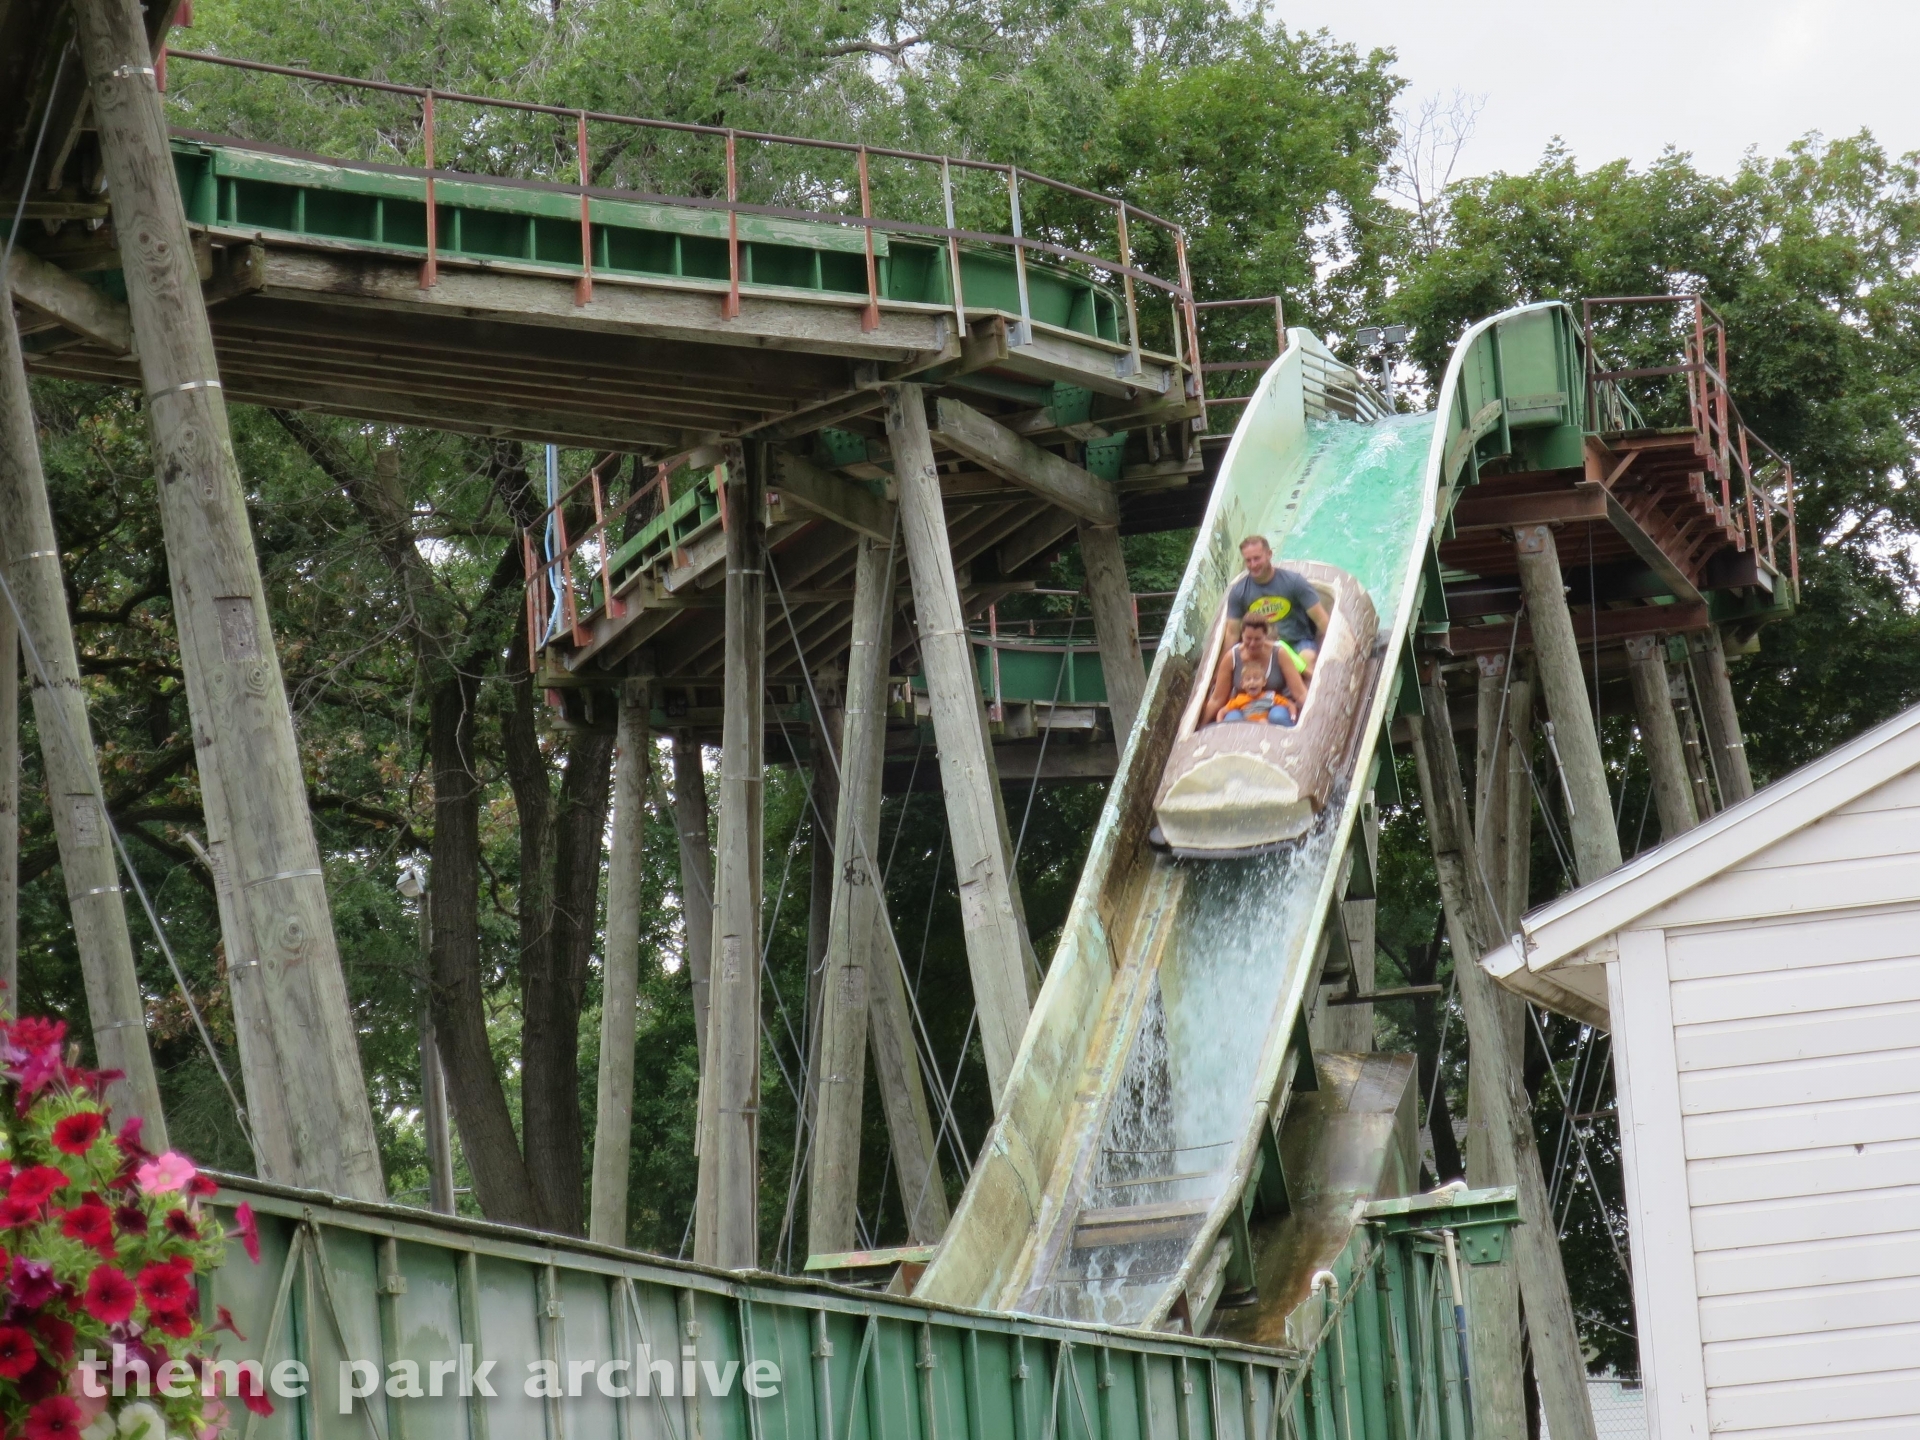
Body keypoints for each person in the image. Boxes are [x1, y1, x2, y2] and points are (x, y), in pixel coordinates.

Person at [1224, 535, 1328, 673]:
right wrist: (1224, 667)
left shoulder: (1294, 582)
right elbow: (1232, 632)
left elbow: (1321, 619)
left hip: (1297, 642)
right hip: (1261, 645)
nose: (1253, 565)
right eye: (1248, 561)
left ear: (1269, 554)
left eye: (1257, 558)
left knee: (1308, 658)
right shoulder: (1239, 592)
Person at [1203, 615, 1309, 727]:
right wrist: (1201, 725)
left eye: (1257, 639)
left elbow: (1300, 693)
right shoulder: (1232, 657)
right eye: (1248, 638)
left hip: (1274, 705)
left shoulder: (1279, 653)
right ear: (1242, 635)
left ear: (1265, 636)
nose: (1252, 644)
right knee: (1232, 719)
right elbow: (1217, 699)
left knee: (1277, 717)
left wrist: (1311, 712)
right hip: (1243, 708)